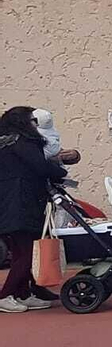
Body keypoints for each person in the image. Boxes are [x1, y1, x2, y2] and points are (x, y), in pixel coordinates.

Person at [0, 106, 69, 313]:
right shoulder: (24, 142)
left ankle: (22, 293)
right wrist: (60, 170)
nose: (35, 125)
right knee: (28, 252)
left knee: (20, 250)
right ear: (24, 123)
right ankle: (6, 294)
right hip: (22, 202)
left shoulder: (6, 142)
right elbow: (40, 166)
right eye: (32, 121)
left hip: (9, 201)